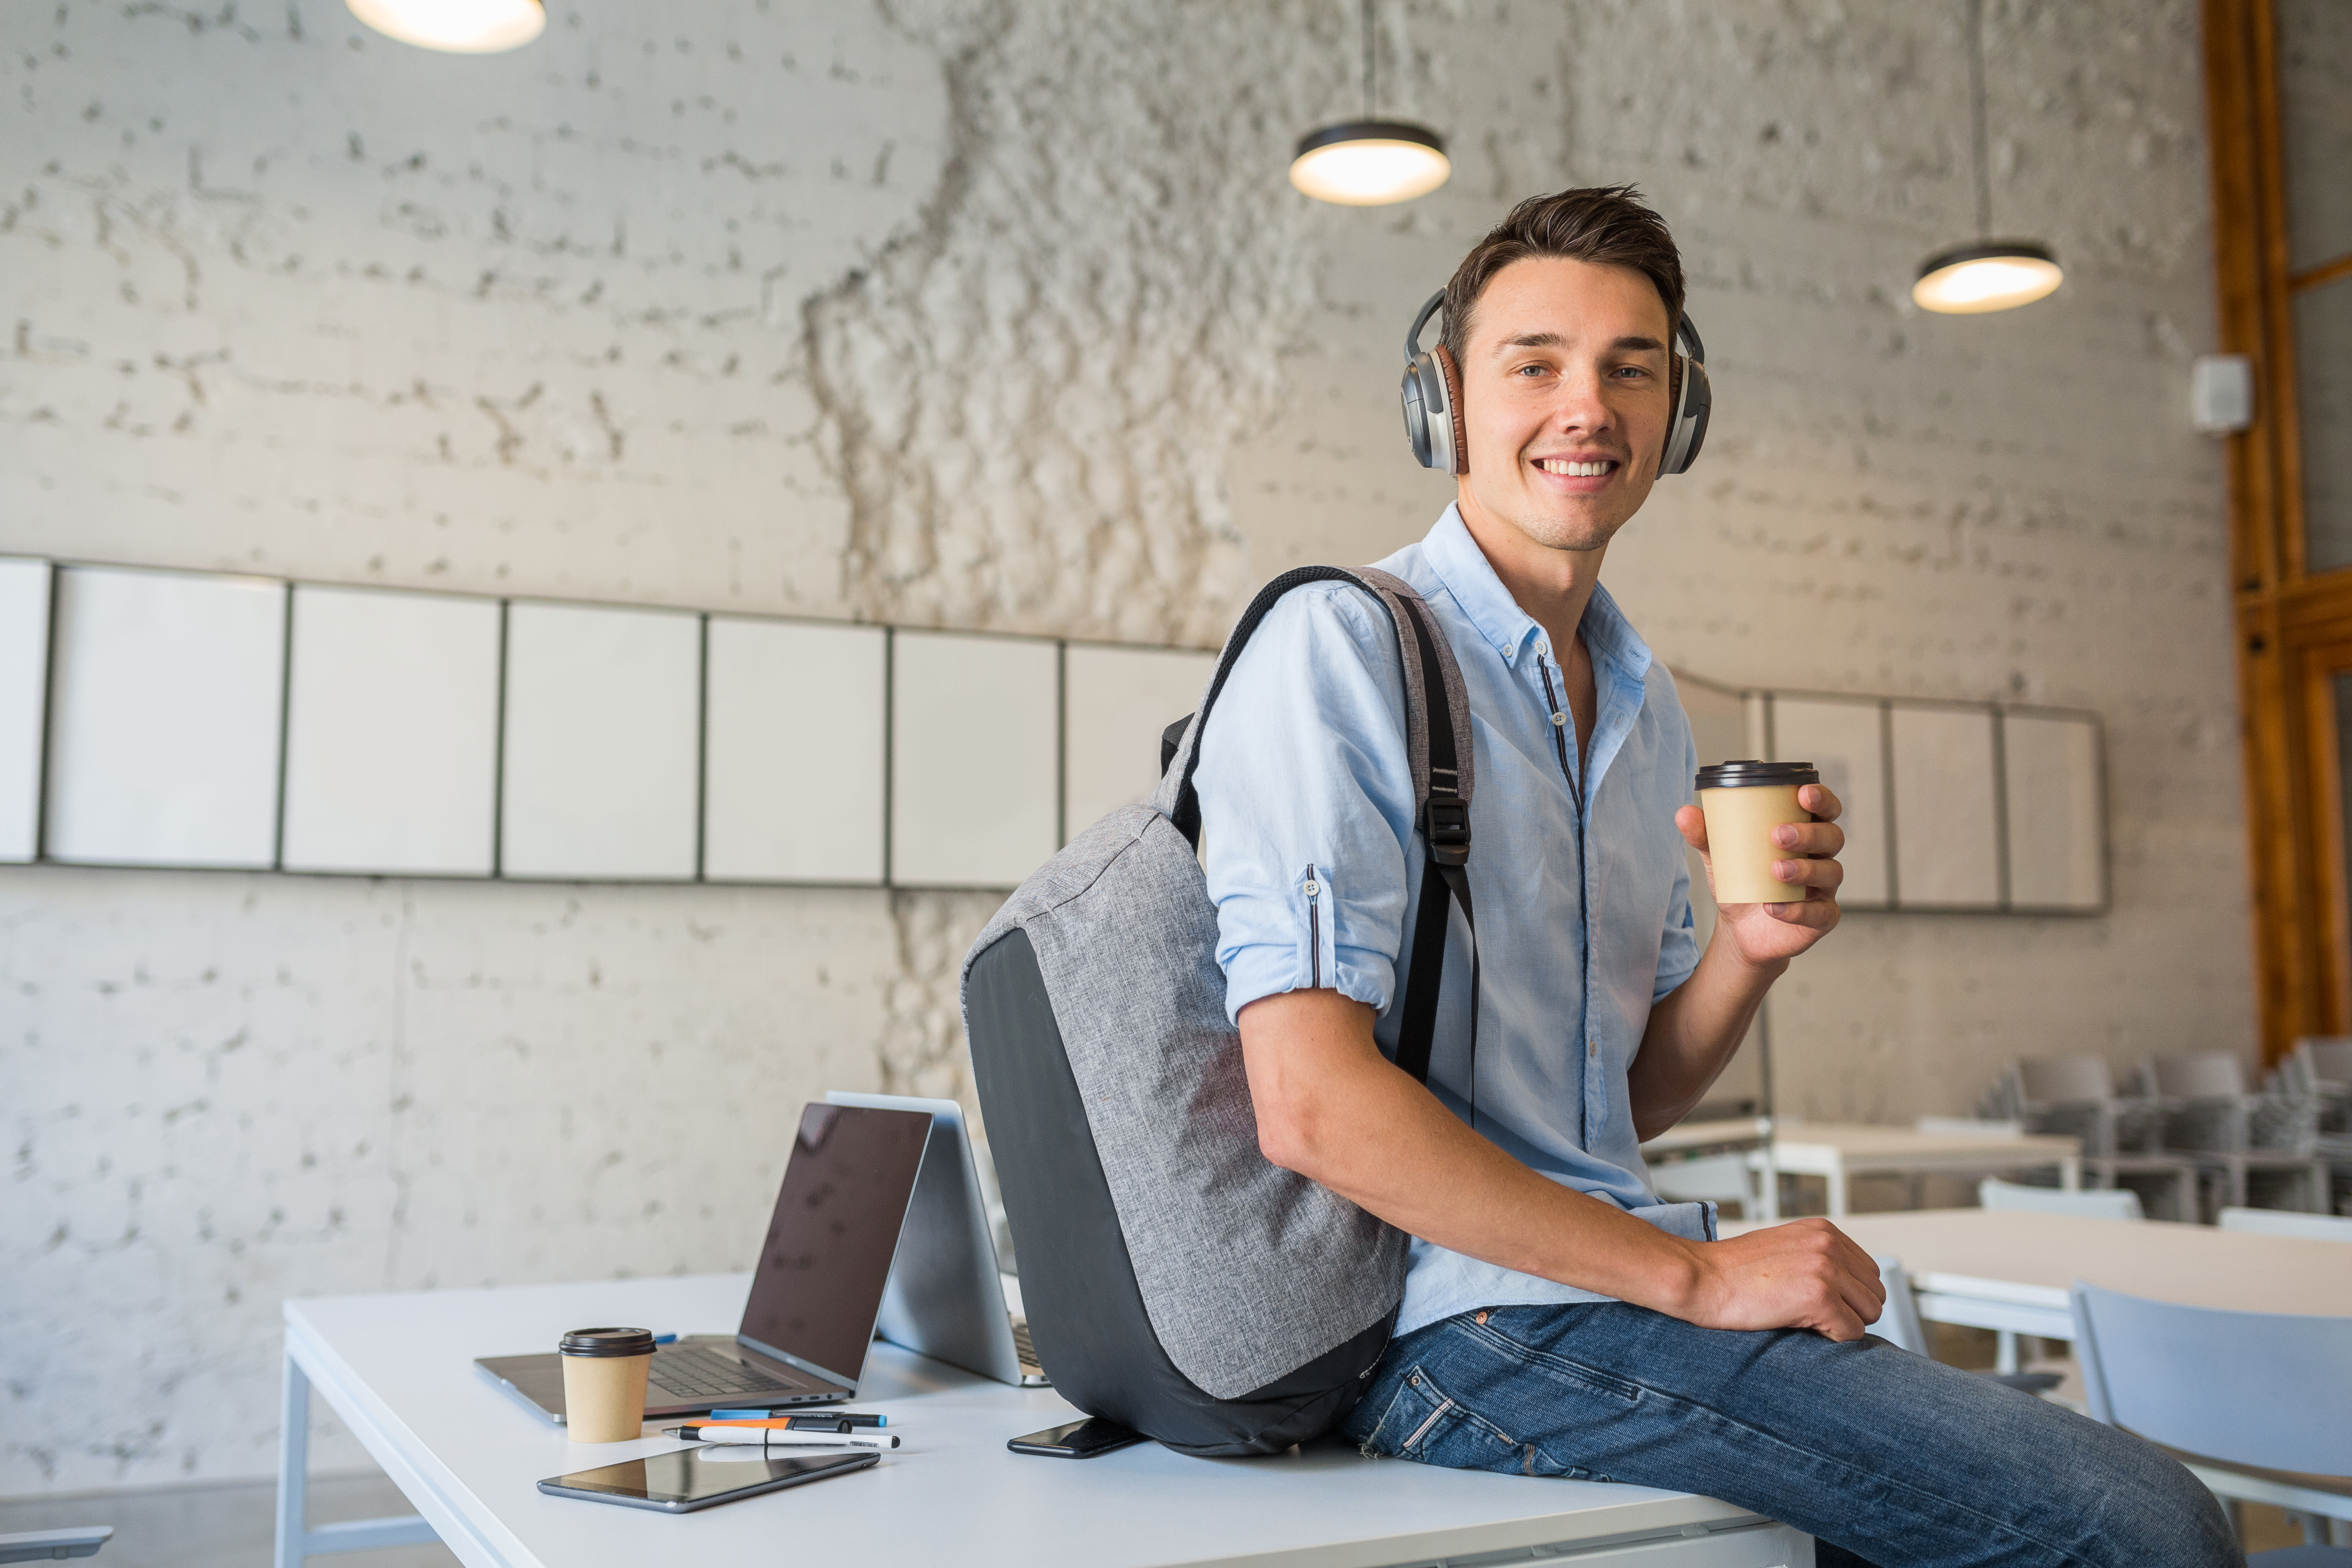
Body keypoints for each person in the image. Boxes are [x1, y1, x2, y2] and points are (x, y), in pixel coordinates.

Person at [1190, 186, 2234, 1568]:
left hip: (1594, 1297)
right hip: (1454, 1329)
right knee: (2153, 1530)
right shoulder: (1341, 647)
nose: (1590, 406)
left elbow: (1622, 1100)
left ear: (1679, 411)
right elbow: (1311, 1106)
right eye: (1537, 363)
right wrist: (1694, 1274)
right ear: (1441, 398)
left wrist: (1747, 948)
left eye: (1633, 366)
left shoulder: (1641, 704)